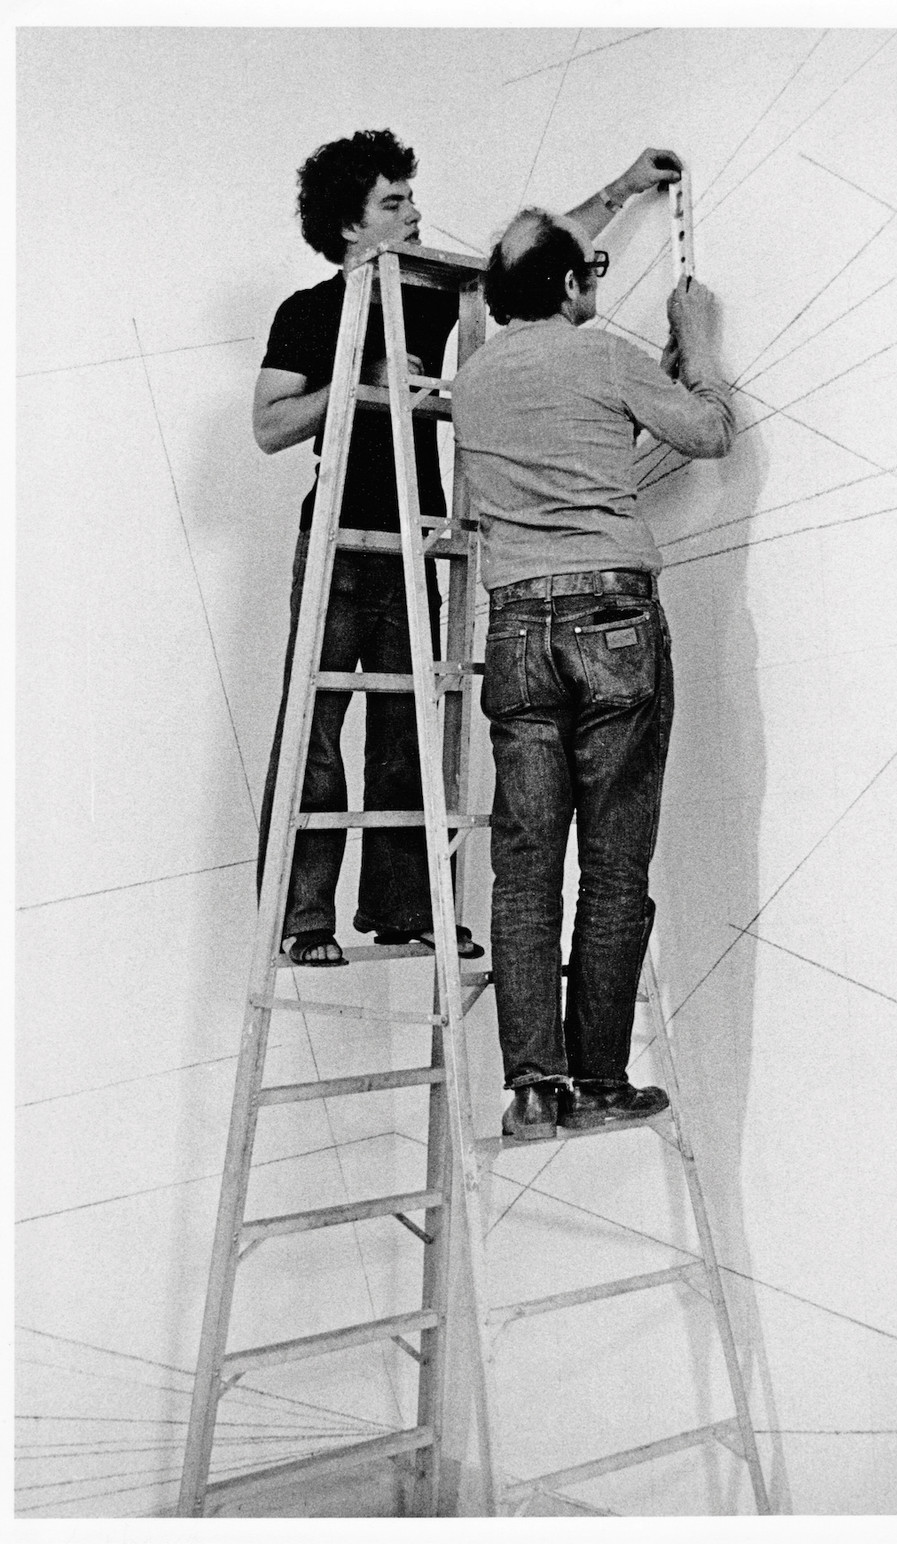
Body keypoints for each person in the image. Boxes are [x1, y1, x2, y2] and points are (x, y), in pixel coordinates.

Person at [254, 129, 685, 966]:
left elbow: (536, 259)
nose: (414, 213)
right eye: (393, 203)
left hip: (416, 542)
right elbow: (269, 424)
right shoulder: (308, 313)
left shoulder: (425, 295)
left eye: (410, 198)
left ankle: (402, 908)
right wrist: (361, 382)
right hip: (339, 542)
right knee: (315, 731)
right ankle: (302, 916)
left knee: (407, 730)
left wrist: (624, 185)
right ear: (350, 227)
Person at [451, 208, 735, 1139]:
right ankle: (603, 1081)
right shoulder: (604, 356)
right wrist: (698, 349)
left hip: (518, 625)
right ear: (573, 288)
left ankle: (533, 1089)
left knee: (524, 865)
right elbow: (704, 432)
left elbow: (579, 428)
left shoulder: (474, 378)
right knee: (614, 864)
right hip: (610, 617)